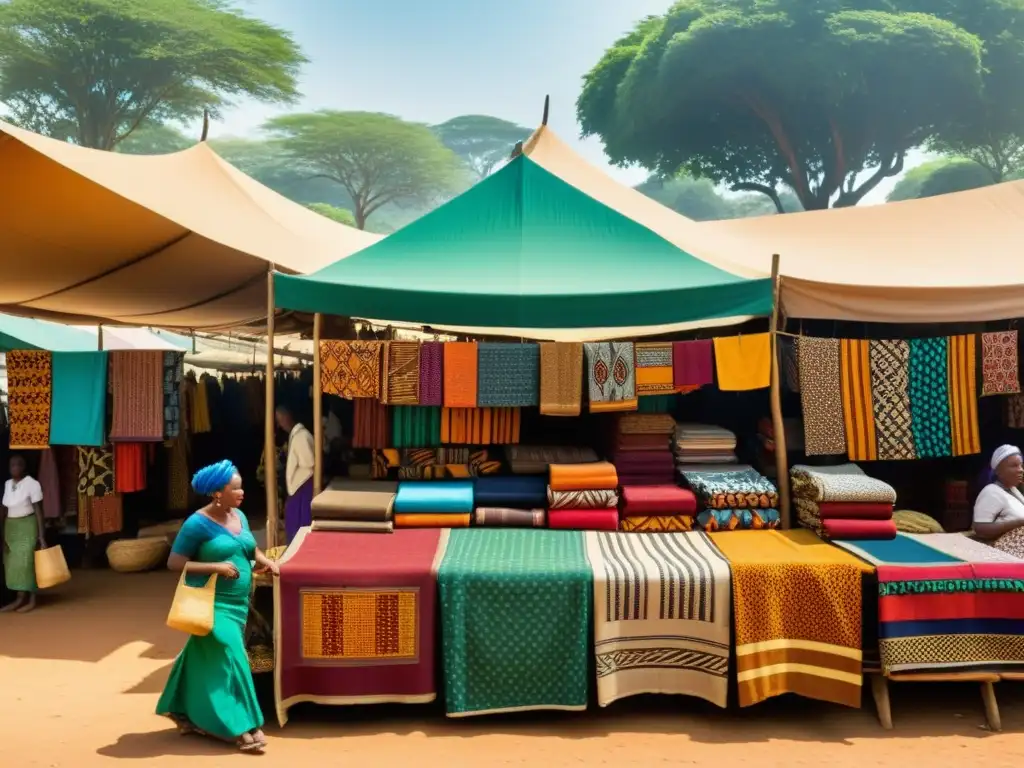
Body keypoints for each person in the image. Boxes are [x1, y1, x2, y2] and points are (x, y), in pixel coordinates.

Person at [156, 460, 279, 754]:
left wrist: (265, 563)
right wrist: (216, 567)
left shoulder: (239, 516)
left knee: (200, 654)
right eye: (234, 488)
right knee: (232, 656)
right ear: (216, 493)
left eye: (241, 486)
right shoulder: (196, 524)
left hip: (240, 604)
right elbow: (175, 563)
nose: (242, 492)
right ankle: (245, 725)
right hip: (212, 603)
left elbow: (250, 548)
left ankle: (179, 709)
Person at [1, 454, 46, 613]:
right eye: (12, 465)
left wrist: (41, 536)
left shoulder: (32, 484)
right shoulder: (7, 484)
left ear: (23, 467)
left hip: (27, 525)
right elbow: (4, 509)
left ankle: (32, 598)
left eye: (18, 465)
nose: (15, 468)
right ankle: (19, 598)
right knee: (14, 565)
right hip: (11, 527)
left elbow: (39, 511)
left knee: (28, 563)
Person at [275, 404, 315, 543]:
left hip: (303, 485)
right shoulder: (298, 435)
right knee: (294, 522)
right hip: (299, 486)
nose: (280, 425)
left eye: (280, 420)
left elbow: (309, 462)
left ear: (287, 417)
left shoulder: (301, 436)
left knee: (300, 524)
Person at [973, 445, 1024, 545]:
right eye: (1014, 465)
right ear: (998, 471)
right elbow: (980, 529)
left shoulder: (1013, 490)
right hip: (1006, 553)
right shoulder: (991, 492)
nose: (1021, 469)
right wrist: (1019, 522)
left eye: (1021, 465)